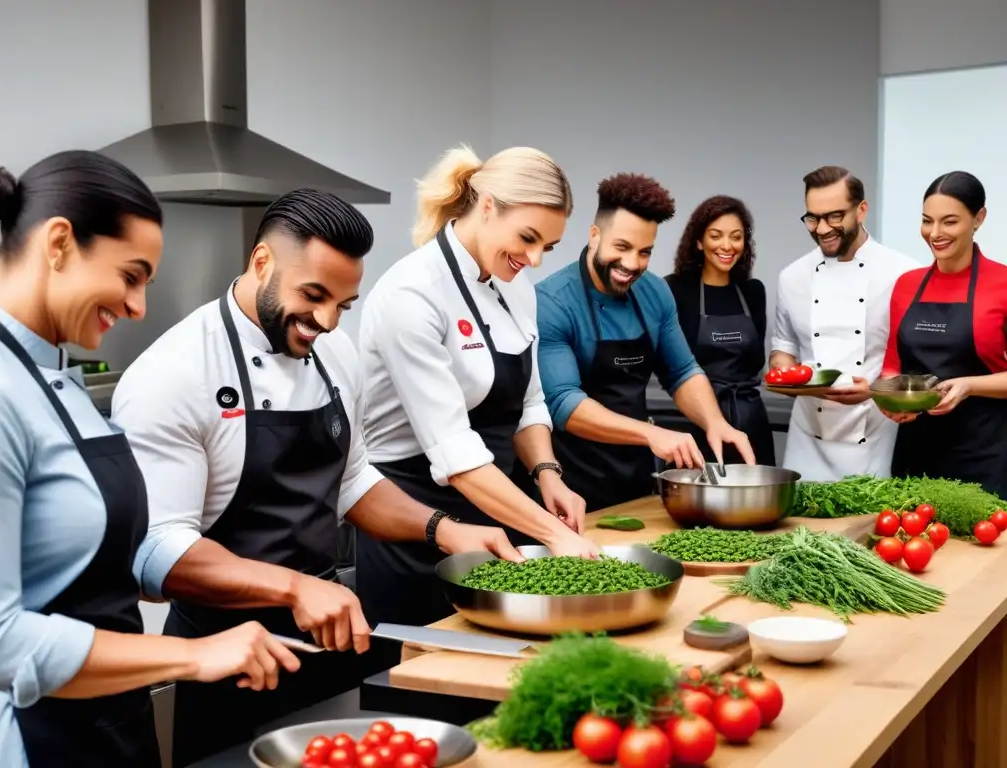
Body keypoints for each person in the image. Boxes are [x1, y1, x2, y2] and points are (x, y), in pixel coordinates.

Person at [110, 188, 521, 766]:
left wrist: (443, 529)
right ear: (262, 263)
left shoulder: (335, 353)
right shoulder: (174, 373)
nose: (327, 321)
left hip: (328, 642)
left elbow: (351, 480)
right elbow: (157, 553)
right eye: (313, 296)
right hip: (226, 660)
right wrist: (296, 588)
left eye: (343, 305)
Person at [0, 152, 299, 768]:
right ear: (58, 243)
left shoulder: (59, 381)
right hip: (32, 739)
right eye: (130, 275)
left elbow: (112, 553)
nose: (136, 308)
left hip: (109, 724)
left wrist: (286, 589)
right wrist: (193, 656)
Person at [357, 145, 598, 636]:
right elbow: (455, 452)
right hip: (413, 518)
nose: (532, 259)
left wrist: (548, 475)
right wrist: (552, 533)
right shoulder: (412, 294)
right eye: (527, 238)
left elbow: (529, 400)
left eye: (546, 248)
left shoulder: (516, 285)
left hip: (495, 511)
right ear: (487, 205)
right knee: (421, 683)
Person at [535, 173, 755, 513]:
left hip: (636, 477)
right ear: (594, 236)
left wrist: (714, 422)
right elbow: (564, 402)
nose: (632, 264)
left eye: (645, 252)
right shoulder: (553, 301)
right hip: (571, 485)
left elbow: (682, 371)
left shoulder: (655, 292)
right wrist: (652, 435)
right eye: (621, 247)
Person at [771, 165, 917, 482]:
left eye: (834, 216)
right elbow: (784, 346)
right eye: (813, 217)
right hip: (807, 440)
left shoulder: (903, 273)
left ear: (861, 210)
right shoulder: (792, 276)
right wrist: (783, 373)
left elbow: (915, 361)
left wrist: (876, 392)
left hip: (874, 437)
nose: (822, 229)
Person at [880, 171, 1007, 496]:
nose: (934, 233)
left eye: (949, 222)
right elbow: (893, 364)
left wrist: (969, 385)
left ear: (978, 218)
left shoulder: (1002, 284)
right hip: (916, 453)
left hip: (985, 454)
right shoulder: (907, 285)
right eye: (927, 221)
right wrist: (888, 396)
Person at [665, 195, 776, 466]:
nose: (727, 246)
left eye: (736, 237)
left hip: (751, 422)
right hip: (695, 422)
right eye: (716, 236)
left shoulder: (753, 292)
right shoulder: (675, 289)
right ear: (699, 241)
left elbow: (755, 363)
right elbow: (672, 366)